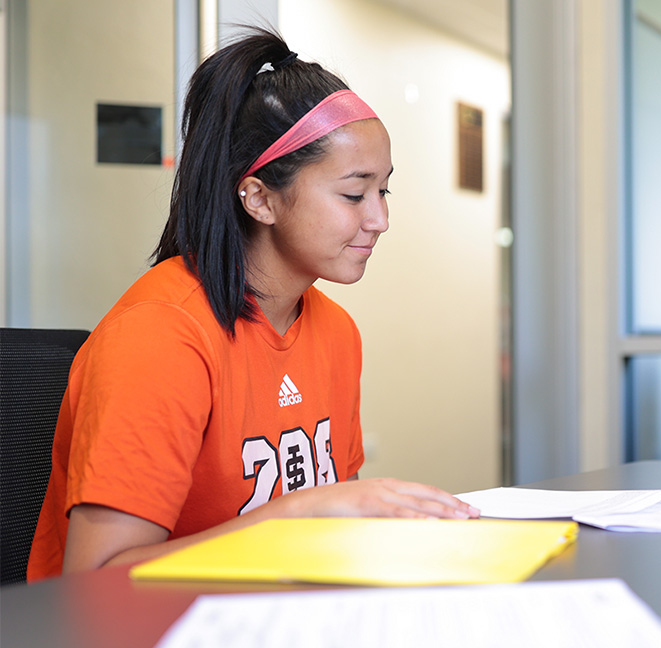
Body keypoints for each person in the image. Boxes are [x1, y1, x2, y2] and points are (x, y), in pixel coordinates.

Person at [26, 28, 478, 582]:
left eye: (383, 191)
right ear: (260, 197)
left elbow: (338, 531)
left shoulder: (336, 332)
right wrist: (296, 513)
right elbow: (96, 580)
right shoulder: (160, 336)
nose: (380, 219)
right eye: (354, 194)